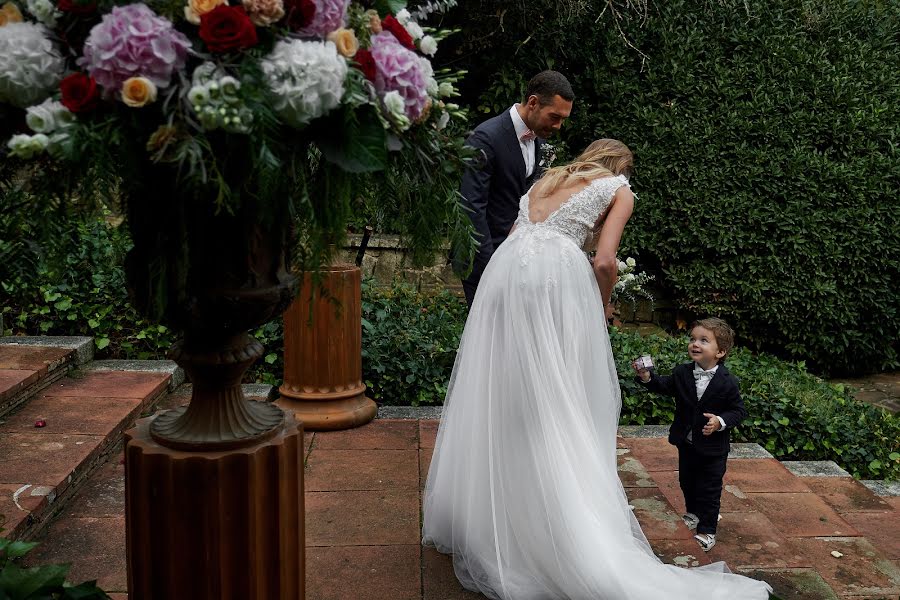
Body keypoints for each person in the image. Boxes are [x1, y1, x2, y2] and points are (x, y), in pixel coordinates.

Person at [422, 140, 772, 599]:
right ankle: (558, 520)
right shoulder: (619, 187)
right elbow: (605, 260)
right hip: (557, 285)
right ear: (621, 165)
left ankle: (493, 515)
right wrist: (600, 305)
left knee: (505, 392)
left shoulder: (546, 178)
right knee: (559, 398)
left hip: (505, 279)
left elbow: (513, 233)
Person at [457, 70, 574, 307]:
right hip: (484, 262)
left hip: (520, 264)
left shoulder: (539, 141)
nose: (559, 126)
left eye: (563, 119)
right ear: (533, 102)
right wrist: (492, 267)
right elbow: (471, 208)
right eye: (554, 117)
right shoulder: (485, 138)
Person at [633, 318, 747, 552]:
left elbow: (738, 410)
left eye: (704, 340)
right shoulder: (682, 373)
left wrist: (719, 421)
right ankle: (694, 513)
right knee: (687, 481)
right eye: (693, 339)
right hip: (687, 443)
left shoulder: (727, 382)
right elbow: (664, 386)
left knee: (710, 488)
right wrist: (647, 377)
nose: (695, 343)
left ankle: (707, 529)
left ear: (720, 352)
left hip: (714, 449)